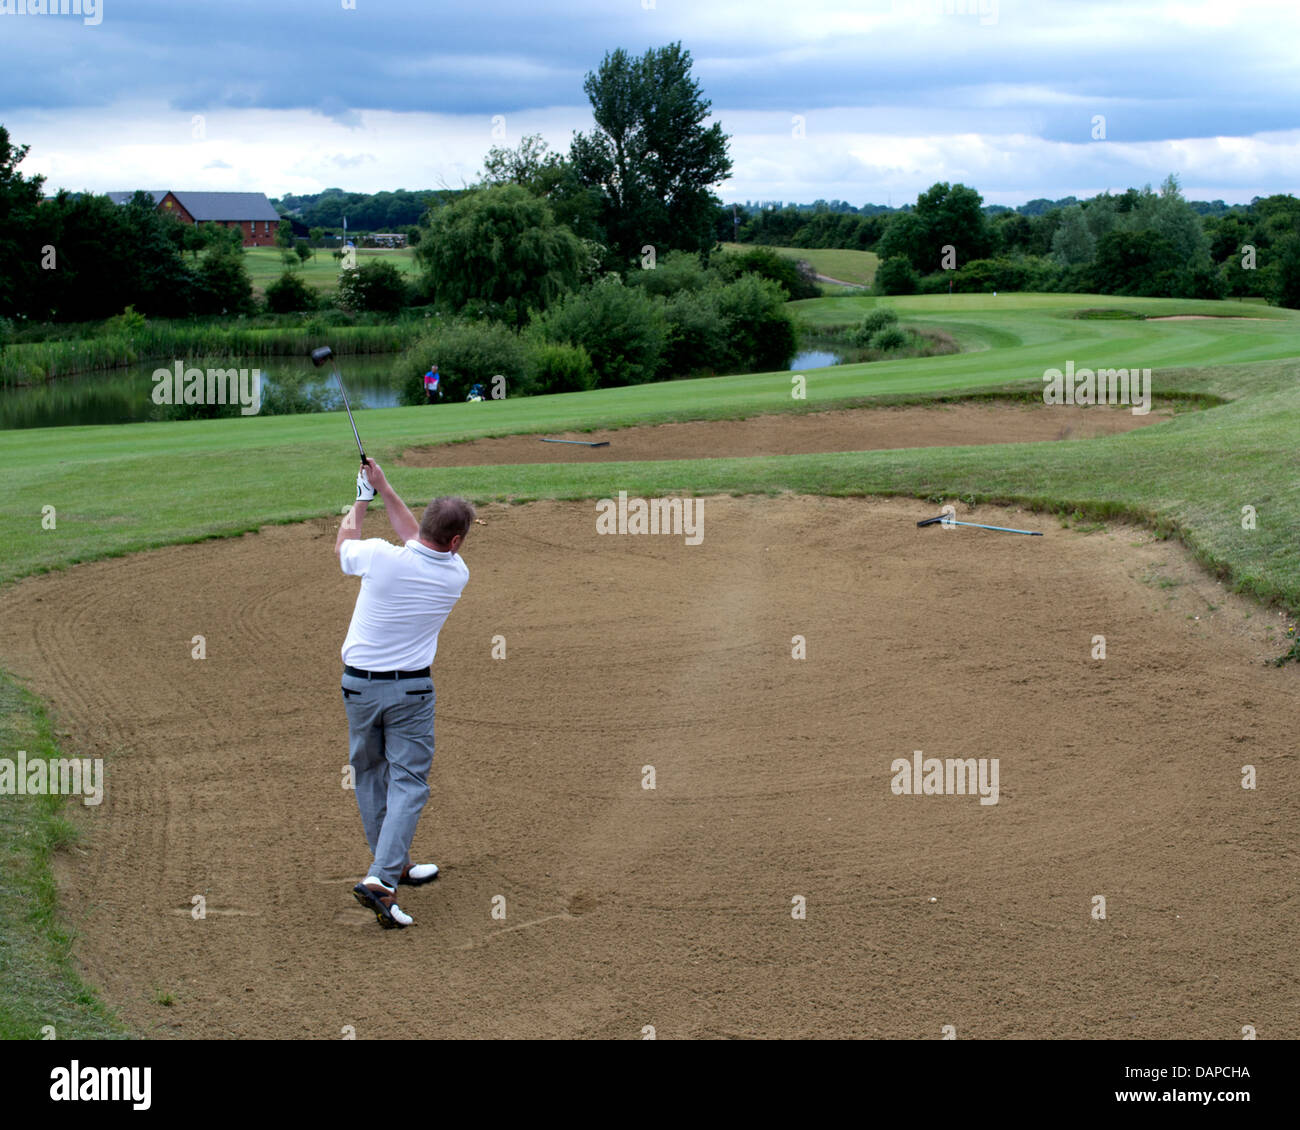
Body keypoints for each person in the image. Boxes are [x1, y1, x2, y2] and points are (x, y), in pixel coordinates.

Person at [335, 458, 474, 928]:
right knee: (408, 782)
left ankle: (389, 864)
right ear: (454, 542)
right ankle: (382, 878)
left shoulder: (379, 556)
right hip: (411, 692)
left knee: (371, 775)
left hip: (357, 687)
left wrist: (362, 497)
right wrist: (384, 487)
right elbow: (417, 538)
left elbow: (343, 546)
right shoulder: (456, 575)